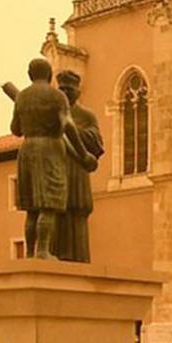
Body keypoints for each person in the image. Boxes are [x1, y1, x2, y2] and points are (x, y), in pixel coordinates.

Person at [9, 58, 86, 259]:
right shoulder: (56, 96)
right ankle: (43, 250)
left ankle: (28, 252)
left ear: (29, 74)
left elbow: (15, 129)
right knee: (48, 204)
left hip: (27, 151)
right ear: (50, 74)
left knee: (31, 208)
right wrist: (83, 153)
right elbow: (68, 125)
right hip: (50, 149)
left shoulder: (22, 97)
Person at [54, 70, 101, 263]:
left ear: (77, 92)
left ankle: (79, 258)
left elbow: (97, 142)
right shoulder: (54, 112)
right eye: (62, 88)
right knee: (57, 212)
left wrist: (73, 132)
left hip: (77, 171)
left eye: (69, 89)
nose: (65, 92)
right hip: (57, 169)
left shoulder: (86, 115)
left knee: (77, 211)